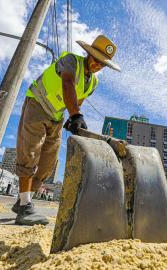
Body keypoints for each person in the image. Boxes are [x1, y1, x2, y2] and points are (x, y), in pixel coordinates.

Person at [12, 35, 121, 225]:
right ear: (89, 54)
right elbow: (67, 83)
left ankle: (23, 199)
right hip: (38, 104)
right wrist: (75, 114)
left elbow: (78, 100)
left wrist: (74, 117)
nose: (98, 65)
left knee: (48, 163)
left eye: (103, 64)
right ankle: (24, 208)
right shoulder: (71, 60)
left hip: (56, 116)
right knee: (30, 152)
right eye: (96, 59)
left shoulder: (93, 83)